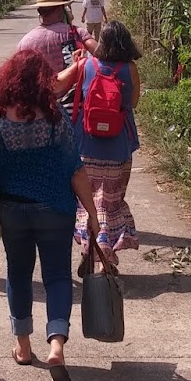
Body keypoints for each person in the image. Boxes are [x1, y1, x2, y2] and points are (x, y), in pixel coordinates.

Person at [0, 49, 105, 381]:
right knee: (58, 276)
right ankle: (57, 346)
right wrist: (91, 214)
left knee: (18, 273)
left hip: (12, 211)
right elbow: (76, 170)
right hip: (56, 209)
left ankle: (22, 346)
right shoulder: (55, 120)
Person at [69, 21, 144, 254]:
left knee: (87, 200)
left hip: (86, 144)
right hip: (119, 145)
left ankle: (89, 244)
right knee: (110, 200)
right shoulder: (129, 68)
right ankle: (105, 244)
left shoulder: (85, 64)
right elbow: (132, 103)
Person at [17, 0, 96, 116]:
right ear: (60, 9)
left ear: (39, 11)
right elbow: (101, 53)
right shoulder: (75, 33)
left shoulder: (24, 42)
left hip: (39, 109)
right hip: (73, 107)